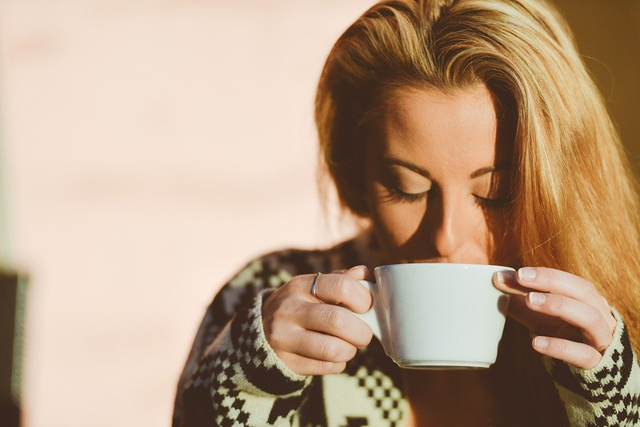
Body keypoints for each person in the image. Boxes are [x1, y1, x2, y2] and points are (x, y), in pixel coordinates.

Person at [172, 0, 640, 425]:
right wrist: (245, 388)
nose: (445, 236)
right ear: (358, 175)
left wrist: (616, 407)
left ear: (559, 186)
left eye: (495, 193)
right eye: (407, 188)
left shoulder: (612, 336)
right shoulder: (267, 297)